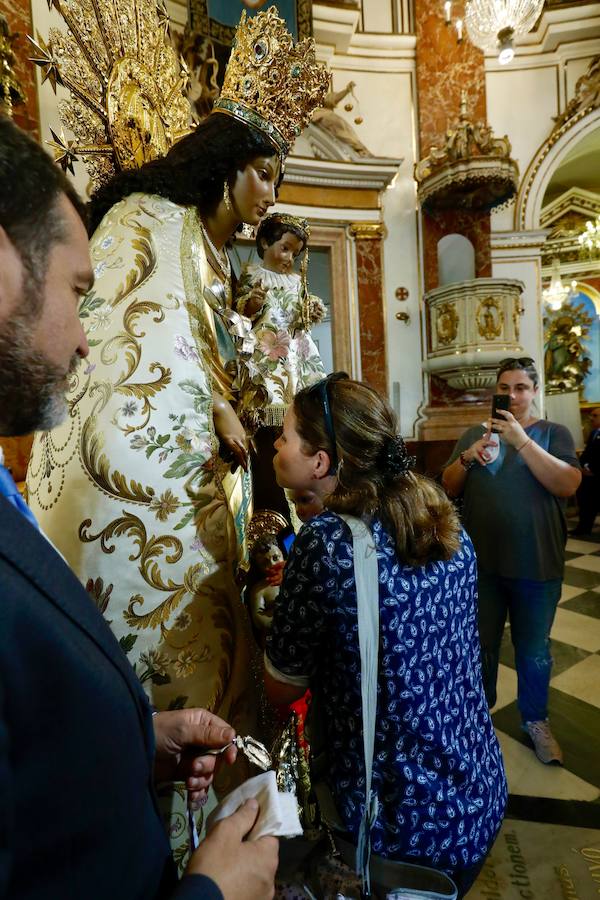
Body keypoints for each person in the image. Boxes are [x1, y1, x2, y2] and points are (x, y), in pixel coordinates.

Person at [25, 6, 329, 854]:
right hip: (167, 499)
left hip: (222, 485)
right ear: (227, 166)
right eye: (264, 175)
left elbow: (218, 358)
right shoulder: (154, 221)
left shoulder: (211, 252)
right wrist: (221, 404)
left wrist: (249, 382)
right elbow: (137, 343)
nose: (272, 197)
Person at [0, 115, 278, 900]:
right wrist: (211, 894)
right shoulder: (156, 227)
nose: (91, 342)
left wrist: (130, 738)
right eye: (79, 293)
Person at [264, 374, 507, 898]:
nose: (276, 445)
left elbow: (281, 687)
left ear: (321, 462)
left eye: (285, 436)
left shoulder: (327, 544)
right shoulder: (437, 513)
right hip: (475, 788)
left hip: (403, 827)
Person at [442, 357, 581, 766]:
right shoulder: (474, 433)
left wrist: (520, 440)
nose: (514, 396)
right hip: (481, 569)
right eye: (505, 388)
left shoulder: (554, 433)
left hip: (537, 567)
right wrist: (469, 456)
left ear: (535, 391)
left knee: (533, 650)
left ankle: (535, 721)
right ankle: (478, 718)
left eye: (522, 387)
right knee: (480, 647)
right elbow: (448, 487)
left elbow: (568, 483)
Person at [235, 213, 326, 520]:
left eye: (295, 253)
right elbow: (239, 315)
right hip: (266, 357)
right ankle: (273, 511)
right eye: (285, 248)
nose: (289, 258)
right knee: (268, 432)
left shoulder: (296, 281)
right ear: (264, 242)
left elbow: (300, 319)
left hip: (296, 359)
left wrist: (310, 310)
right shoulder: (252, 274)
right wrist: (252, 305)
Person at [571, 406, 600, 536]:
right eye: (591, 415)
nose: (591, 418)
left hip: (597, 475)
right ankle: (584, 528)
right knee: (586, 503)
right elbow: (587, 453)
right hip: (587, 476)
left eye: (595, 416)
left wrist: (594, 470)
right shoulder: (594, 433)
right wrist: (580, 466)